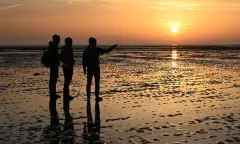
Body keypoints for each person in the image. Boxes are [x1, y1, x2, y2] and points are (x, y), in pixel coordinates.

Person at [48, 35, 61, 115]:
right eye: (58, 39)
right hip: (53, 65)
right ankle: (52, 94)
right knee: (53, 79)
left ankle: (53, 93)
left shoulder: (52, 46)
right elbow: (54, 56)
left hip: (53, 65)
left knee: (53, 79)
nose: (59, 41)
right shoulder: (53, 47)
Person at [60, 37, 75, 101]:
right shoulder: (68, 49)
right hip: (68, 66)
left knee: (67, 81)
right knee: (67, 81)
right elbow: (69, 58)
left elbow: (61, 57)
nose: (72, 43)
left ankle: (66, 95)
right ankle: (66, 96)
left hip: (65, 65)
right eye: (71, 41)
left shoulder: (63, 48)